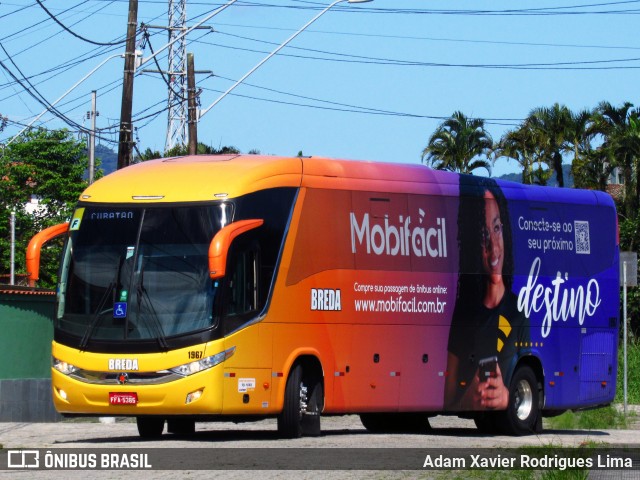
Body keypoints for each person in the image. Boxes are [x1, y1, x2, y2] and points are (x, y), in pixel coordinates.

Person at [444, 176, 530, 411]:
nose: (494, 246)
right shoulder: (464, 312)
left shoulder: (519, 312)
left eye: (497, 228)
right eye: (484, 235)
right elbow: (446, 398)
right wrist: (468, 399)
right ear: (473, 242)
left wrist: (506, 397)